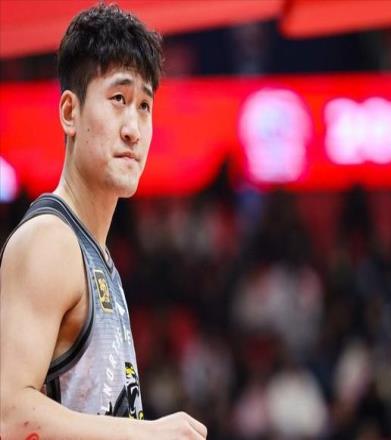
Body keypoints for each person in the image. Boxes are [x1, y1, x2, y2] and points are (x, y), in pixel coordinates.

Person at [0, 4, 207, 439]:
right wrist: (148, 435)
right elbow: (10, 416)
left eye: (144, 105)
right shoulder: (49, 241)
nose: (133, 128)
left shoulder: (96, 254)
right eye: (118, 99)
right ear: (69, 113)